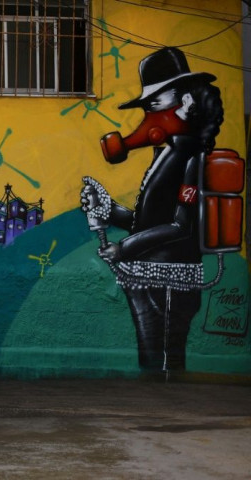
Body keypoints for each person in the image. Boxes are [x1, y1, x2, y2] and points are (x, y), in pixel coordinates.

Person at [81, 47, 224, 375]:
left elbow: (180, 227)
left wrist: (124, 248)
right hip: (150, 276)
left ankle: (169, 408)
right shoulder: (168, 154)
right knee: (152, 358)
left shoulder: (192, 160)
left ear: (187, 104)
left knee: (163, 361)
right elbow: (147, 221)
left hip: (170, 279)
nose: (149, 119)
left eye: (156, 105)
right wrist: (109, 208)